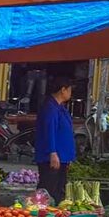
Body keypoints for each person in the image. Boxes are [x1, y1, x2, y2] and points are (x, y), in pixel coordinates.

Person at [34, 76, 75, 204]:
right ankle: (41, 213)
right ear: (63, 90)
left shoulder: (60, 107)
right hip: (52, 157)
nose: (70, 93)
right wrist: (52, 152)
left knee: (58, 188)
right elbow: (49, 131)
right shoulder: (50, 108)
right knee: (48, 187)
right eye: (69, 90)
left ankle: (53, 214)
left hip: (62, 156)